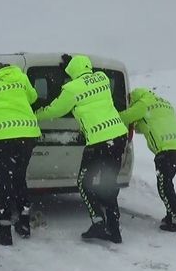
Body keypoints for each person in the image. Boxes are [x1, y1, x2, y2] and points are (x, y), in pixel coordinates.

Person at [36, 54, 128, 243]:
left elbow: (56, 110)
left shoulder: (71, 89)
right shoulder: (102, 78)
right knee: (108, 184)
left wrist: (36, 114)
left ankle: (98, 223)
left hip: (99, 142)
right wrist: (73, 65)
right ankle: (114, 231)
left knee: (84, 182)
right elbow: (87, 85)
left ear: (72, 72)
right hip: (118, 137)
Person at [0, 62, 41, 246]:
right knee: (19, 178)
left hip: (4, 137)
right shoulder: (19, 76)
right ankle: (24, 224)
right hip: (27, 136)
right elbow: (33, 97)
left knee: (3, 182)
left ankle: (4, 231)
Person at [119, 88, 176, 233]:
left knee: (164, 185)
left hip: (166, 149)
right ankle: (172, 215)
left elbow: (124, 117)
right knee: (167, 183)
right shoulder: (163, 103)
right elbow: (147, 123)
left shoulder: (142, 104)